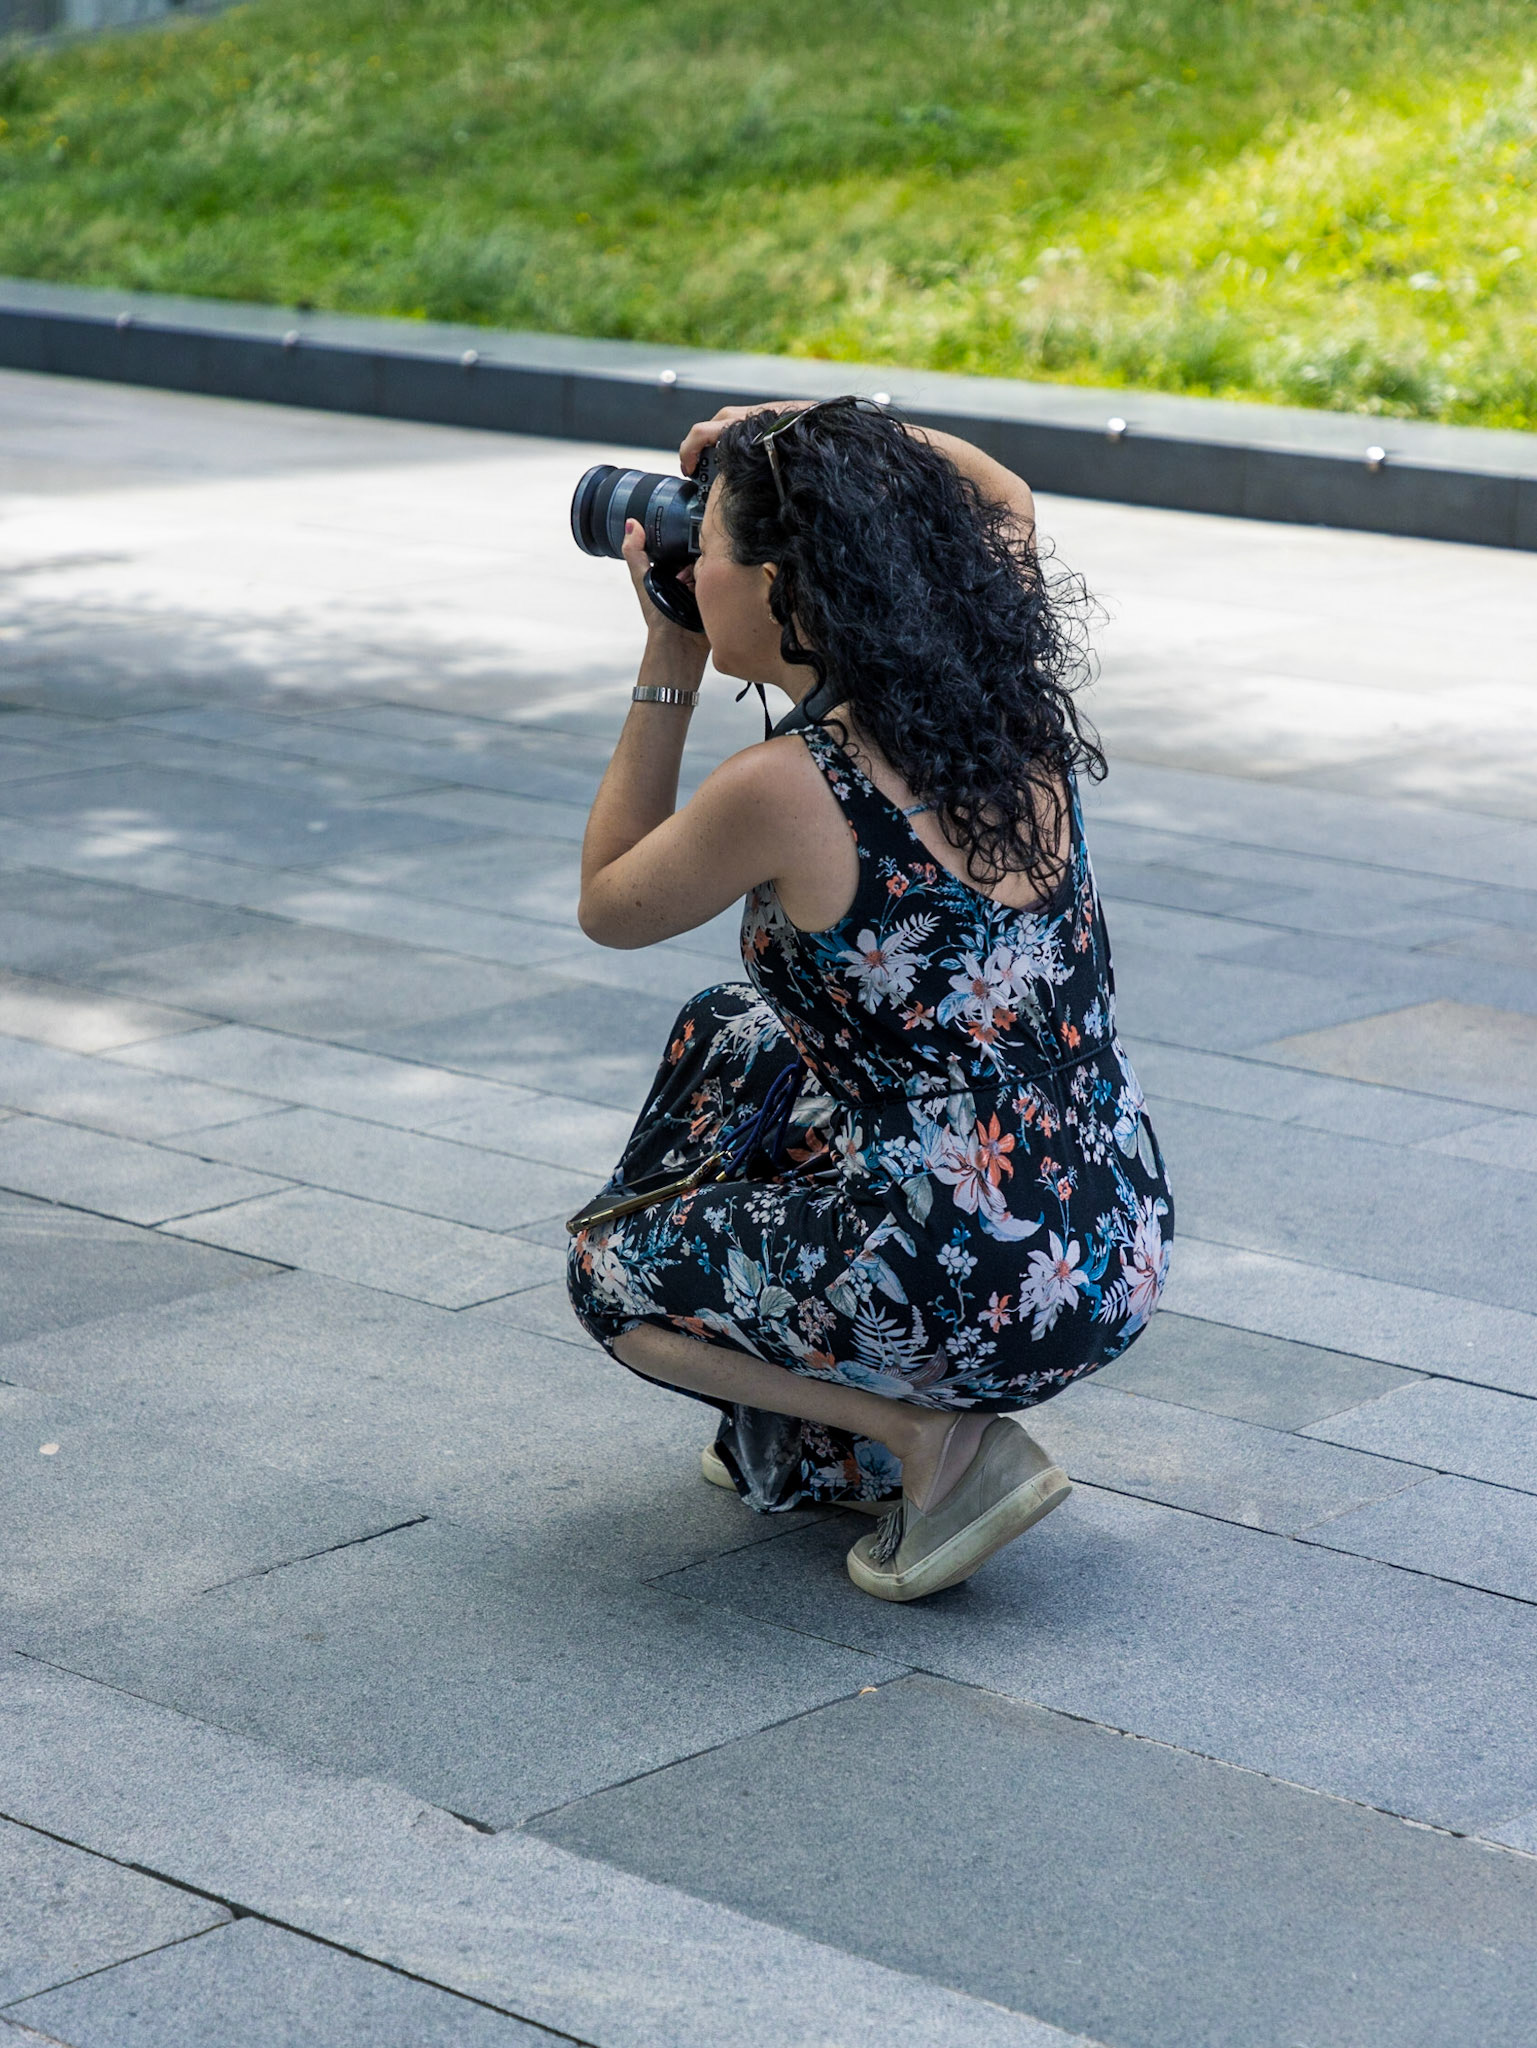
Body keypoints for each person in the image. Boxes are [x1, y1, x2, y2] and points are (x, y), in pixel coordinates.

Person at [566, 397, 1173, 1601]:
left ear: (786, 581)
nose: (691, 562)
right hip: (1105, 1241)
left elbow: (610, 902)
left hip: (968, 1278)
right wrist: (801, 432)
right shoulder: (995, 703)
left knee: (612, 1276)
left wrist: (665, 660)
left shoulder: (789, 784)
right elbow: (1001, 494)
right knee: (741, 1036)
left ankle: (932, 1441)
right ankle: (836, 1419)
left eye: (712, 546)